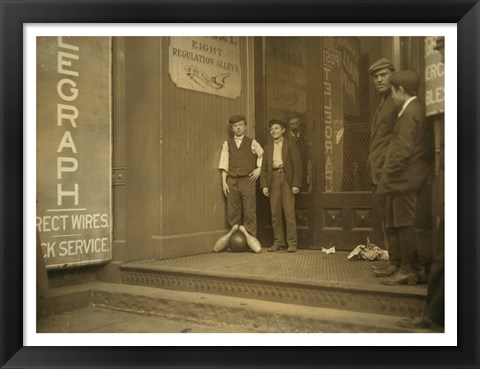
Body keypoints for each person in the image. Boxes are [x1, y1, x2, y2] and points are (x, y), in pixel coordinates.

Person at [377, 70, 434, 286]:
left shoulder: (410, 112)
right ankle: (410, 268)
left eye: (393, 90)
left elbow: (402, 149)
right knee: (402, 222)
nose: (392, 95)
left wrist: (387, 174)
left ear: (401, 90)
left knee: (403, 223)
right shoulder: (416, 109)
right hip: (409, 178)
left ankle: (407, 270)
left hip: (404, 180)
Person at [365, 58, 401, 278]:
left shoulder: (396, 101)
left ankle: (399, 264)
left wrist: (389, 167)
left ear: (392, 75)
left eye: (383, 75)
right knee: (388, 218)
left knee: (396, 219)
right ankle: (395, 262)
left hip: (389, 172)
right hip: (379, 172)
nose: (379, 79)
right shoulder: (382, 102)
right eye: (375, 77)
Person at [260, 119, 303, 253]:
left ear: (283, 130)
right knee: (275, 214)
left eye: (276, 128)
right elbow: (264, 168)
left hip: (286, 179)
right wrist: (264, 185)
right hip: (273, 180)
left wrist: (296, 184)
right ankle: (278, 242)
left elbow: (298, 165)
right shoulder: (268, 147)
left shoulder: (290, 144)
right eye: (272, 129)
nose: (274, 131)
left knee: (289, 213)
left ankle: (292, 243)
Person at [218, 114, 264, 238]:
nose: (238, 128)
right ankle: (234, 240)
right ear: (232, 128)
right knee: (232, 211)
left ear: (245, 127)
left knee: (249, 210)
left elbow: (262, 155)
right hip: (231, 180)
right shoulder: (227, 144)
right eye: (235, 125)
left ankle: (251, 239)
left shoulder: (252, 142)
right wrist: (224, 182)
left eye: (240, 125)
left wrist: (259, 169)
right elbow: (224, 164)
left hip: (248, 180)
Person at [288, 115, 309, 192]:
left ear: (299, 123)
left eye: (296, 123)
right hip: (291, 165)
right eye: (292, 124)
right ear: (289, 125)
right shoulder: (286, 137)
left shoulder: (305, 135)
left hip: (303, 163)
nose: (294, 126)